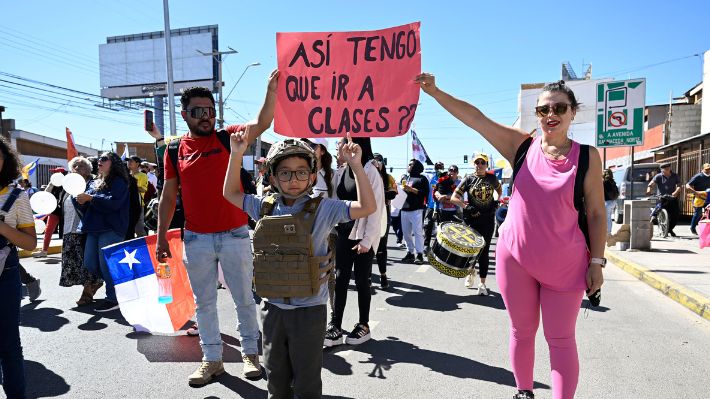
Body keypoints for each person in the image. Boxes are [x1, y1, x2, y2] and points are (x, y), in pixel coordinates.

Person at [417, 74, 605, 399]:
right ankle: (523, 392)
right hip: (514, 259)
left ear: (573, 112)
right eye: (543, 109)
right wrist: (434, 92)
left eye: (559, 107)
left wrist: (597, 263)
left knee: (560, 339)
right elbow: (475, 118)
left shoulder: (587, 157)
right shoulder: (521, 147)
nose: (551, 114)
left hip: (565, 265)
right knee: (521, 331)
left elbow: (597, 214)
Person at [223, 133, 375, 399]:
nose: (293, 180)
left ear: (313, 176)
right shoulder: (265, 206)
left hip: (309, 311)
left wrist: (356, 166)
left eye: (301, 173)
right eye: (285, 173)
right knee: (275, 378)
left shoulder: (325, 208)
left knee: (306, 382)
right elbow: (230, 193)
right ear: (272, 178)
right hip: (272, 310)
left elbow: (367, 206)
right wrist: (236, 154)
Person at [156, 72, 277, 385]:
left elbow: (262, 122)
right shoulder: (172, 151)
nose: (206, 117)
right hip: (195, 239)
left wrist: (270, 89)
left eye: (210, 111)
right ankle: (212, 360)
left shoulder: (228, 137)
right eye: (199, 112)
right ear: (185, 115)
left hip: (236, 233)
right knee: (204, 303)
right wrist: (160, 238)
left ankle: (251, 354)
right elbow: (168, 196)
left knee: (244, 299)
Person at [326, 137, 384, 347]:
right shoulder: (340, 171)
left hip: (363, 236)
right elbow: (333, 203)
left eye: (340, 142)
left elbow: (376, 209)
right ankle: (335, 325)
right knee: (340, 279)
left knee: (361, 281)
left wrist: (367, 240)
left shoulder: (370, 171)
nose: (337, 147)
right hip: (343, 233)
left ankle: (363, 325)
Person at [0, 136, 38, 399]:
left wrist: (1, 227)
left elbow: (30, 244)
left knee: (8, 345)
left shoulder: (17, 196)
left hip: (6, 274)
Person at [74, 152, 129, 313]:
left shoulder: (119, 181)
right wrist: (78, 200)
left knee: (106, 265)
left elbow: (115, 203)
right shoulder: (94, 182)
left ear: (114, 163)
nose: (100, 161)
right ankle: (120, 287)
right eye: (99, 159)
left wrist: (90, 199)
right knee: (90, 263)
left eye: (104, 159)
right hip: (93, 227)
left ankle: (113, 298)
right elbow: (86, 207)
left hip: (111, 228)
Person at [451, 154, 501, 294]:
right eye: (477, 162)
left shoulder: (492, 178)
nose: (479, 165)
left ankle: (482, 284)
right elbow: (454, 198)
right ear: (474, 165)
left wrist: (495, 202)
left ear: (486, 165)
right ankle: (470, 271)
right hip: (472, 219)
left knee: (484, 252)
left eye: (482, 162)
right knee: (471, 249)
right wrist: (466, 207)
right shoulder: (468, 179)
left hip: (487, 219)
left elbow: (499, 190)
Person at [60, 156, 103, 306]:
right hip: (69, 232)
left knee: (87, 263)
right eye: (74, 166)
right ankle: (93, 284)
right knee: (75, 264)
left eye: (81, 165)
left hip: (85, 231)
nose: (77, 168)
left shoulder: (93, 185)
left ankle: (88, 291)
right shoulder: (67, 188)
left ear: (88, 170)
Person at [374, 153, 398, 289]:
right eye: (374, 161)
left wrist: (377, 192)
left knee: (381, 247)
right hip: (367, 214)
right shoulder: (366, 176)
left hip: (383, 214)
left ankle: (383, 275)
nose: (376, 163)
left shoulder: (388, 178)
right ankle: (369, 276)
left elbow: (392, 194)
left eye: (379, 161)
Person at [399, 159, 430, 264]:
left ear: (416, 166)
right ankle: (410, 253)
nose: (408, 166)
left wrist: (411, 189)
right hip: (404, 209)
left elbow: (425, 193)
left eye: (411, 164)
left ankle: (420, 254)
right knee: (406, 234)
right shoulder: (405, 177)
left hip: (416, 209)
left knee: (418, 233)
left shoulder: (422, 179)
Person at [33, 167, 66, 258]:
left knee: (66, 232)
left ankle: (67, 251)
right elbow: (46, 193)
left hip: (65, 211)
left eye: (54, 173)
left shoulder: (67, 183)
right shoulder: (53, 184)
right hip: (54, 210)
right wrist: (50, 184)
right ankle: (44, 251)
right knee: (48, 231)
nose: (52, 175)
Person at [647, 163, 681, 237]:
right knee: (661, 209)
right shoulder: (658, 176)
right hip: (662, 197)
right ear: (662, 170)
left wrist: (676, 192)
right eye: (665, 169)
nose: (666, 170)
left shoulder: (675, 176)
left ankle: (670, 229)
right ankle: (654, 215)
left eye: (668, 169)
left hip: (672, 197)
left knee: (675, 215)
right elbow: (651, 183)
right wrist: (649, 189)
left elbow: (678, 186)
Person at [423, 161, 446, 252]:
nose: (438, 169)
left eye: (440, 167)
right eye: (437, 167)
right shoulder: (431, 178)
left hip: (441, 207)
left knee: (441, 227)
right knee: (427, 225)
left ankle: (439, 246)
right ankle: (426, 245)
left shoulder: (446, 179)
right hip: (431, 206)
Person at [686, 163, 710, 235]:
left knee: (708, 213)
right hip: (698, 198)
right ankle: (693, 228)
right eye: (707, 169)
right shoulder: (698, 176)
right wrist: (695, 192)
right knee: (698, 214)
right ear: (703, 169)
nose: (708, 171)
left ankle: (707, 229)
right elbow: (688, 185)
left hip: (708, 197)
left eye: (709, 169)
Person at [127, 156, 148, 237]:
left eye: (131, 161)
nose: (129, 162)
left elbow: (143, 189)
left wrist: (131, 186)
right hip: (127, 205)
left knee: (139, 230)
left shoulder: (143, 175)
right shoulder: (126, 175)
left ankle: (146, 247)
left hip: (138, 205)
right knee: (129, 229)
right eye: (128, 161)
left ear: (138, 164)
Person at [602, 168, 620, 234]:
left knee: (606, 218)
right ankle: (608, 232)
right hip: (613, 202)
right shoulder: (613, 181)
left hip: (607, 202)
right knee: (608, 217)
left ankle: (608, 233)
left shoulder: (604, 182)